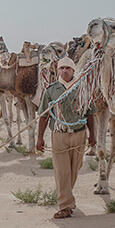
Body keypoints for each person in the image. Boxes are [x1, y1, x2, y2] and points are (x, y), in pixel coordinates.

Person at [36, 56, 89, 219]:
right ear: (57, 70)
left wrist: (93, 136)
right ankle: (65, 205)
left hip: (79, 134)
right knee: (62, 171)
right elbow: (44, 116)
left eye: (68, 68)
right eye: (62, 68)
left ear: (73, 71)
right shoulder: (51, 90)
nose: (64, 71)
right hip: (59, 135)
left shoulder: (82, 87)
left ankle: (67, 199)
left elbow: (90, 113)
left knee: (74, 170)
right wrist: (40, 138)